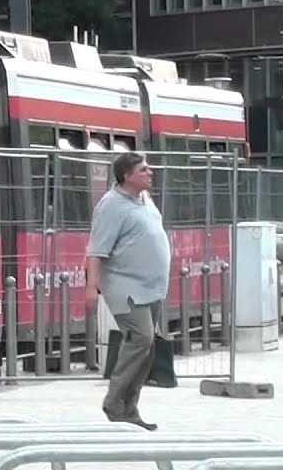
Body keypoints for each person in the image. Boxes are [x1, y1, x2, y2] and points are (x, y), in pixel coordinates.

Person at [85, 151, 171, 431]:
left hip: (151, 287)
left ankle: (129, 408)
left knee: (146, 348)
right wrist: (91, 286)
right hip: (126, 287)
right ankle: (114, 402)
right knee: (140, 339)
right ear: (127, 176)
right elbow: (97, 250)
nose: (150, 172)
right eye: (144, 169)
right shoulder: (111, 206)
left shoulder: (144, 199)